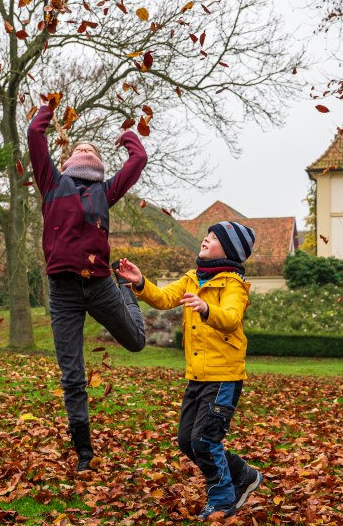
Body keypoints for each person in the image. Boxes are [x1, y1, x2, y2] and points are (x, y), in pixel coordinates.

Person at [27, 99, 148, 472]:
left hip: (100, 286)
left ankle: (128, 291)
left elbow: (137, 161)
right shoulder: (52, 183)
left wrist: (128, 136)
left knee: (136, 342)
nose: (84, 149)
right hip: (63, 292)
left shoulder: (105, 192)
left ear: (98, 160)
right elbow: (35, 134)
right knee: (72, 374)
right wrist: (49, 107)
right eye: (79, 147)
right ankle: (84, 452)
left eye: (91, 148)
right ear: (67, 159)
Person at [116, 221, 263, 520]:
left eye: (214, 237)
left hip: (223, 376)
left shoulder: (232, 283)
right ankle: (242, 474)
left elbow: (232, 318)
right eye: (207, 235)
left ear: (230, 250)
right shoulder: (192, 278)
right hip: (197, 375)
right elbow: (164, 298)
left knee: (205, 441)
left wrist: (207, 309)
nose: (206, 239)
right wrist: (141, 281)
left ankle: (222, 500)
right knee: (187, 441)